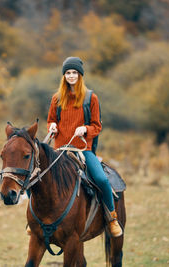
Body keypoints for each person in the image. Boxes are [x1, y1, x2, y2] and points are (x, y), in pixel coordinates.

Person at [46, 56, 123, 237]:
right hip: (60, 150)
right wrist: (52, 126)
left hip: (82, 150)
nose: (71, 76)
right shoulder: (56, 99)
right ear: (63, 76)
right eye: (67, 73)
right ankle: (33, 221)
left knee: (102, 179)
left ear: (80, 75)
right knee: (39, 176)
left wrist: (85, 129)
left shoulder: (91, 98)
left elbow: (97, 126)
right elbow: (51, 120)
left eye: (74, 73)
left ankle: (112, 218)